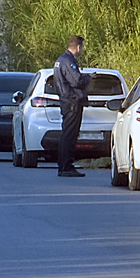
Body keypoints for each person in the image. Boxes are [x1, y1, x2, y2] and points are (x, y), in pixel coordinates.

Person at [53, 35, 93, 177]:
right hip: (72, 102)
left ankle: (64, 166)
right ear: (78, 47)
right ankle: (66, 166)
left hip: (67, 101)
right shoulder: (68, 61)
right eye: (82, 47)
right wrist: (88, 78)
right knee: (70, 135)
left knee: (67, 134)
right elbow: (77, 81)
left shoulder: (61, 60)